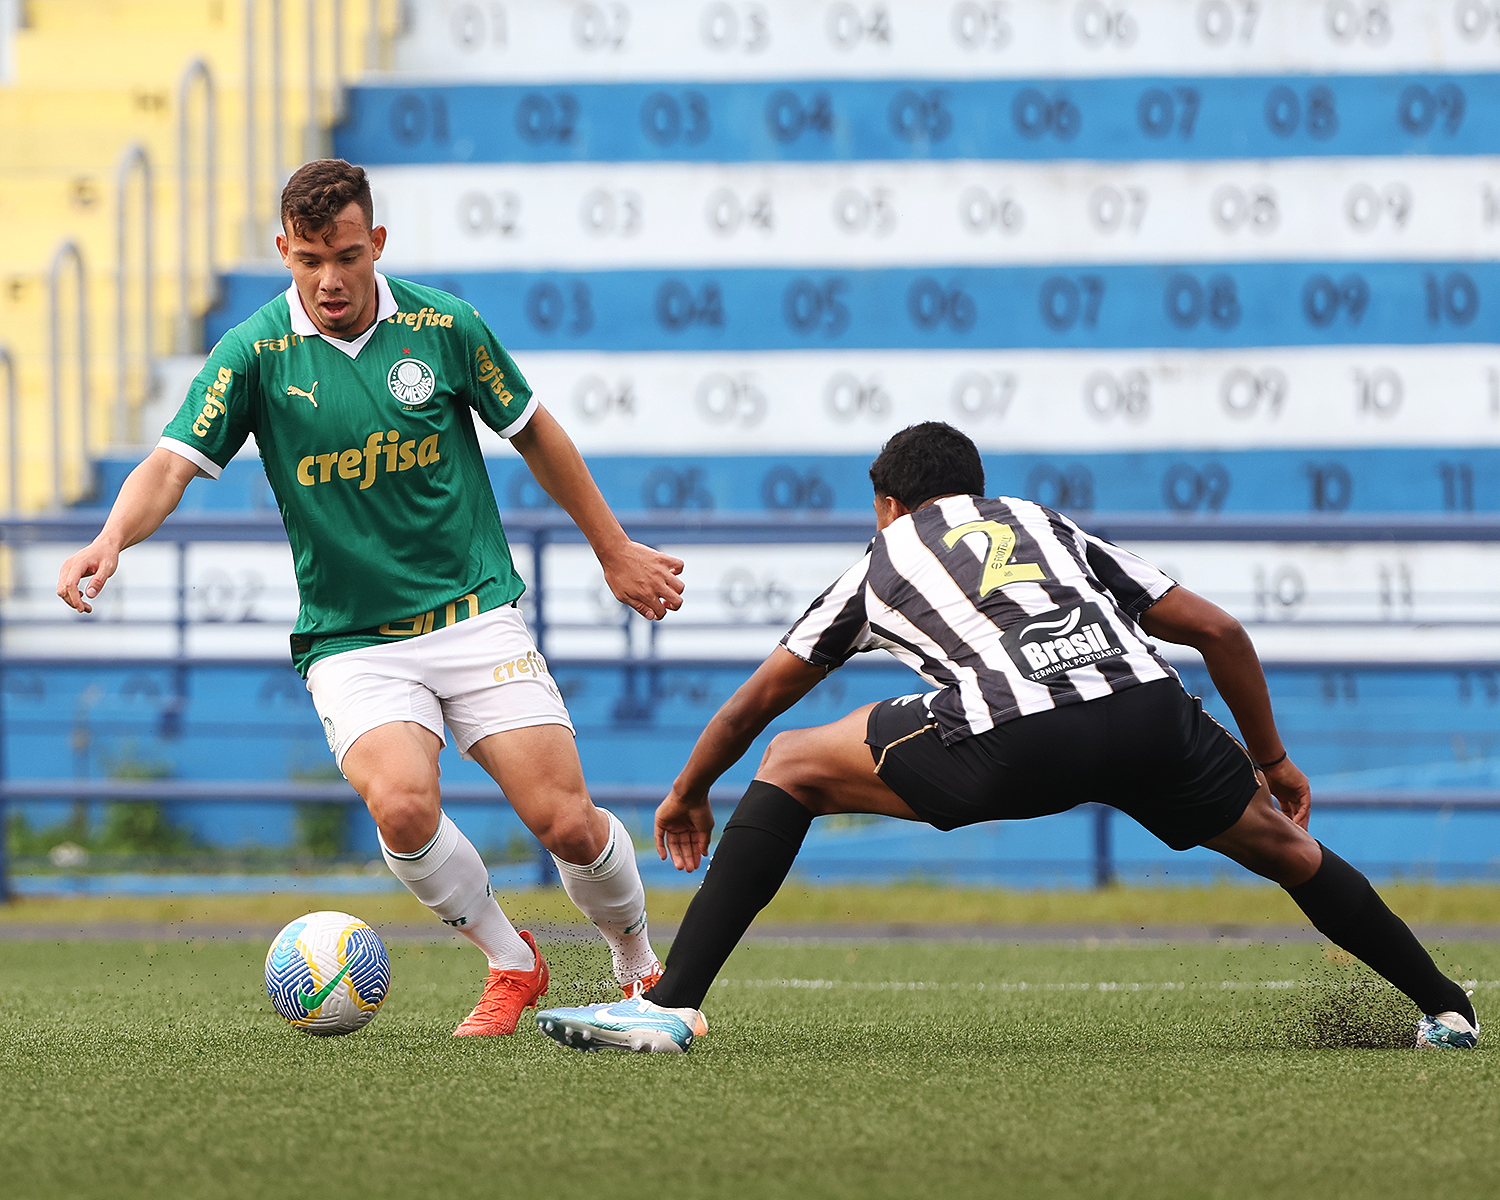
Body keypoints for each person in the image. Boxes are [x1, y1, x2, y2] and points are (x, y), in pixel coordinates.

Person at [535, 421, 1478, 1054]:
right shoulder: (1045, 522)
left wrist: (689, 789)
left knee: (791, 763)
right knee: (1289, 849)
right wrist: (1270, 759)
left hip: (1013, 735)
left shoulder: (884, 556)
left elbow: (755, 706)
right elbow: (1222, 632)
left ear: (889, 506)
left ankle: (668, 1008)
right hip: (1148, 714)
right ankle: (1447, 1007)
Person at [56, 159, 684, 1036]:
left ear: (375, 244)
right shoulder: (254, 353)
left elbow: (534, 429)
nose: (329, 278)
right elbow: (170, 463)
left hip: (472, 612)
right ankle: (513, 960)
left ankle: (636, 964)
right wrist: (109, 538)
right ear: (283, 251)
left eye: (346, 255)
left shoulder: (443, 326)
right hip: (353, 640)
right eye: (309, 259)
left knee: (567, 824)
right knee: (401, 805)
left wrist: (613, 550)